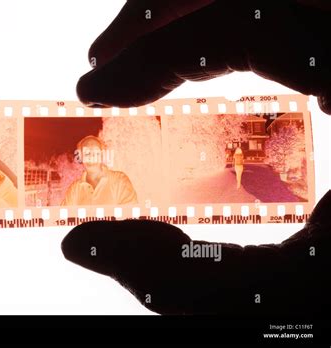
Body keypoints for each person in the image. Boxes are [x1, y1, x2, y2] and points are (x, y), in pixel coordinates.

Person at [62, 0, 331, 315]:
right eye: (88, 151)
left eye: (96, 149)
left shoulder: (120, 181)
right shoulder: (74, 192)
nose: (92, 155)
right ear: (82, 156)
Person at [61, 135, 137, 206]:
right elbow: (63, 217)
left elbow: (130, 214)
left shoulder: (120, 180)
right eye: (87, 153)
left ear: (102, 155)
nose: (92, 156)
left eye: (96, 152)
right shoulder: (74, 189)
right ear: (80, 157)